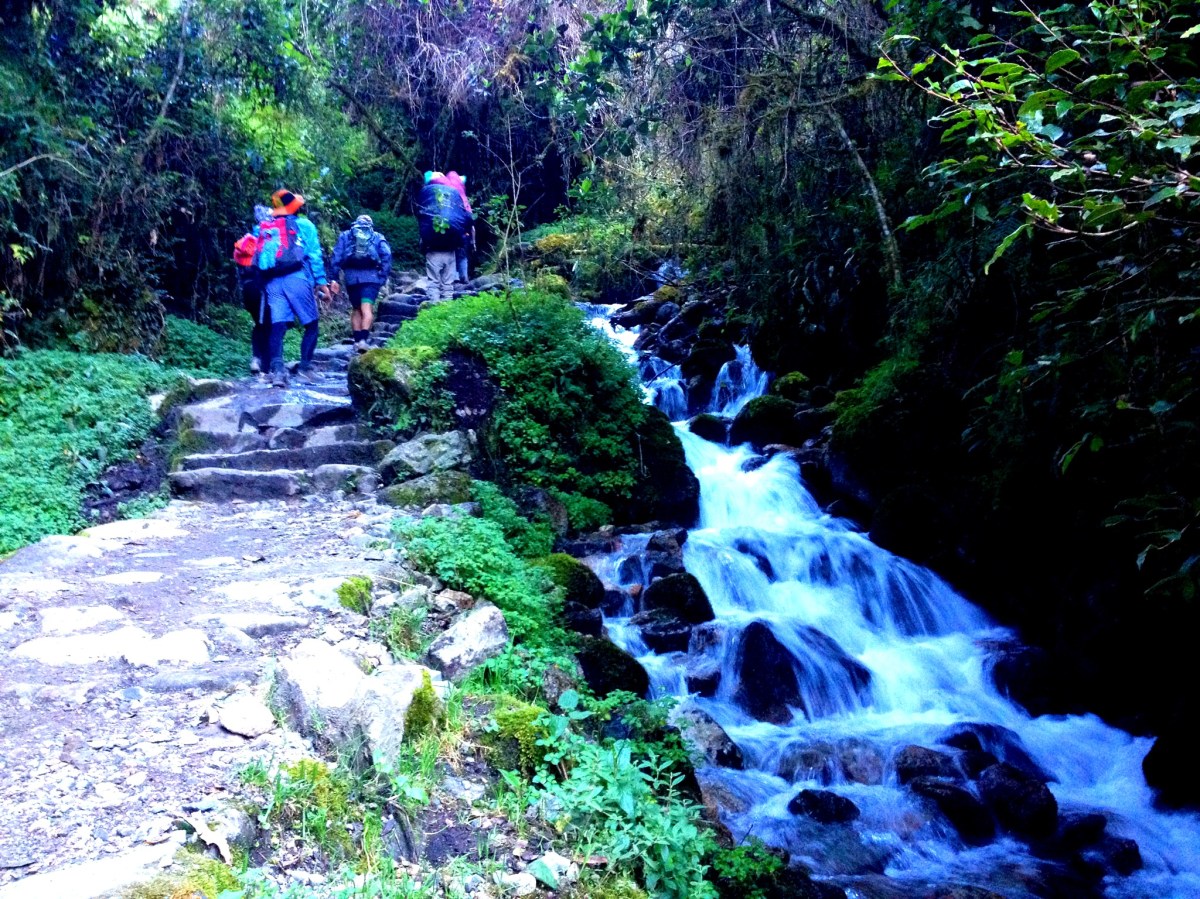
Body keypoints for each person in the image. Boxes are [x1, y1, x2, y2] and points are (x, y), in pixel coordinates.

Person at [260, 189, 330, 387]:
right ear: (295, 207)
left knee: (278, 325)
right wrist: (321, 282)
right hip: (297, 278)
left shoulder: (265, 227)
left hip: (272, 281)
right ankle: (305, 369)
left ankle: (278, 372)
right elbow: (314, 255)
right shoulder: (304, 225)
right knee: (311, 324)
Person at [330, 214, 392, 353]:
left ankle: (357, 341)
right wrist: (382, 276)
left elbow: (336, 256)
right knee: (367, 308)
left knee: (356, 309)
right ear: (371, 225)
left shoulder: (346, 235)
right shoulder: (377, 236)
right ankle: (363, 340)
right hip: (371, 278)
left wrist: (334, 278)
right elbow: (387, 255)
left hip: (351, 278)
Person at [417, 171, 473, 303]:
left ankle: (434, 307)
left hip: (432, 251)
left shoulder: (429, 197)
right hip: (450, 251)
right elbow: (468, 218)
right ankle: (447, 307)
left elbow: (421, 218)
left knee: (433, 282)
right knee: (448, 283)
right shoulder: (455, 195)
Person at [235, 204, 274, 375]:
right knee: (268, 324)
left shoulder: (248, 240)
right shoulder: (269, 238)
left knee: (259, 323)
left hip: (247, 287)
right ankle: (265, 365)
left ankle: (257, 359)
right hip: (262, 286)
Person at [444, 171, 475, 285]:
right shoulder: (463, 198)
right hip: (463, 234)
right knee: (462, 255)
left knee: (451, 253)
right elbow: (471, 225)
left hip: (448, 232)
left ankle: (453, 278)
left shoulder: (445, 193)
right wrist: (473, 241)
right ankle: (464, 277)